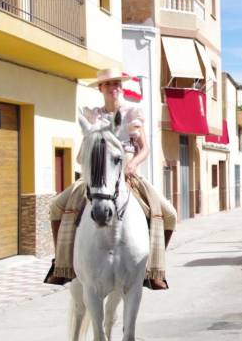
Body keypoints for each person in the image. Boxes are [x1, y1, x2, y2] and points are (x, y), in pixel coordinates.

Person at [44, 68, 177, 289]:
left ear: (121, 87)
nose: (113, 88)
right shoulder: (93, 116)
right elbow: (87, 147)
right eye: (108, 84)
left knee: (169, 214)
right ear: (100, 89)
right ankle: (61, 264)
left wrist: (133, 164)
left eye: (116, 83)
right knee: (56, 207)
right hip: (96, 173)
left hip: (127, 172)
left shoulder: (132, 113)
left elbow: (144, 148)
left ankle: (153, 268)